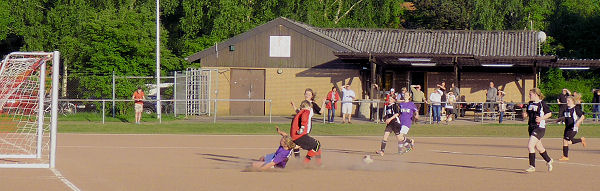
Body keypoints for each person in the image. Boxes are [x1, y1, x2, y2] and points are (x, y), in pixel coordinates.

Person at [282, 100, 323, 166]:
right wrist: (302, 127)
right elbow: (304, 118)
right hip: (300, 136)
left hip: (295, 136)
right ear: (308, 106)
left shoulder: (298, 113)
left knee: (314, 146)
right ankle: (305, 163)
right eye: (310, 107)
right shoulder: (306, 111)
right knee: (317, 145)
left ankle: (318, 163)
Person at [522, 88, 553, 173]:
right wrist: (526, 114)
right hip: (531, 127)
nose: (529, 96)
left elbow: (549, 113)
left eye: (530, 94)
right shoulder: (530, 103)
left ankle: (532, 166)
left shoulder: (542, 104)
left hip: (539, 128)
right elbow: (529, 113)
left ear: (536, 94)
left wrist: (541, 118)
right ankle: (549, 160)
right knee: (539, 148)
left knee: (530, 146)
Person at [290, 88, 324, 158]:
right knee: (299, 145)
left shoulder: (312, 104)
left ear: (312, 96)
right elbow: (299, 113)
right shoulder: (304, 103)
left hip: (306, 127)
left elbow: (320, 112)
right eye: (306, 94)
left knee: (303, 144)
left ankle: (312, 161)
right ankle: (300, 161)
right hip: (301, 127)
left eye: (309, 94)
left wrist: (323, 103)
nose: (307, 95)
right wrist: (294, 106)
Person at [559, 96, 587, 161]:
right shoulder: (566, 109)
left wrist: (578, 122)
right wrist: (559, 119)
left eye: (569, 101)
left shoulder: (575, 108)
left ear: (573, 101)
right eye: (567, 100)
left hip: (573, 128)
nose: (567, 102)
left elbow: (582, 117)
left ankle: (565, 156)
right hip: (567, 128)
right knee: (566, 141)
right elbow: (566, 117)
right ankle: (565, 156)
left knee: (567, 141)